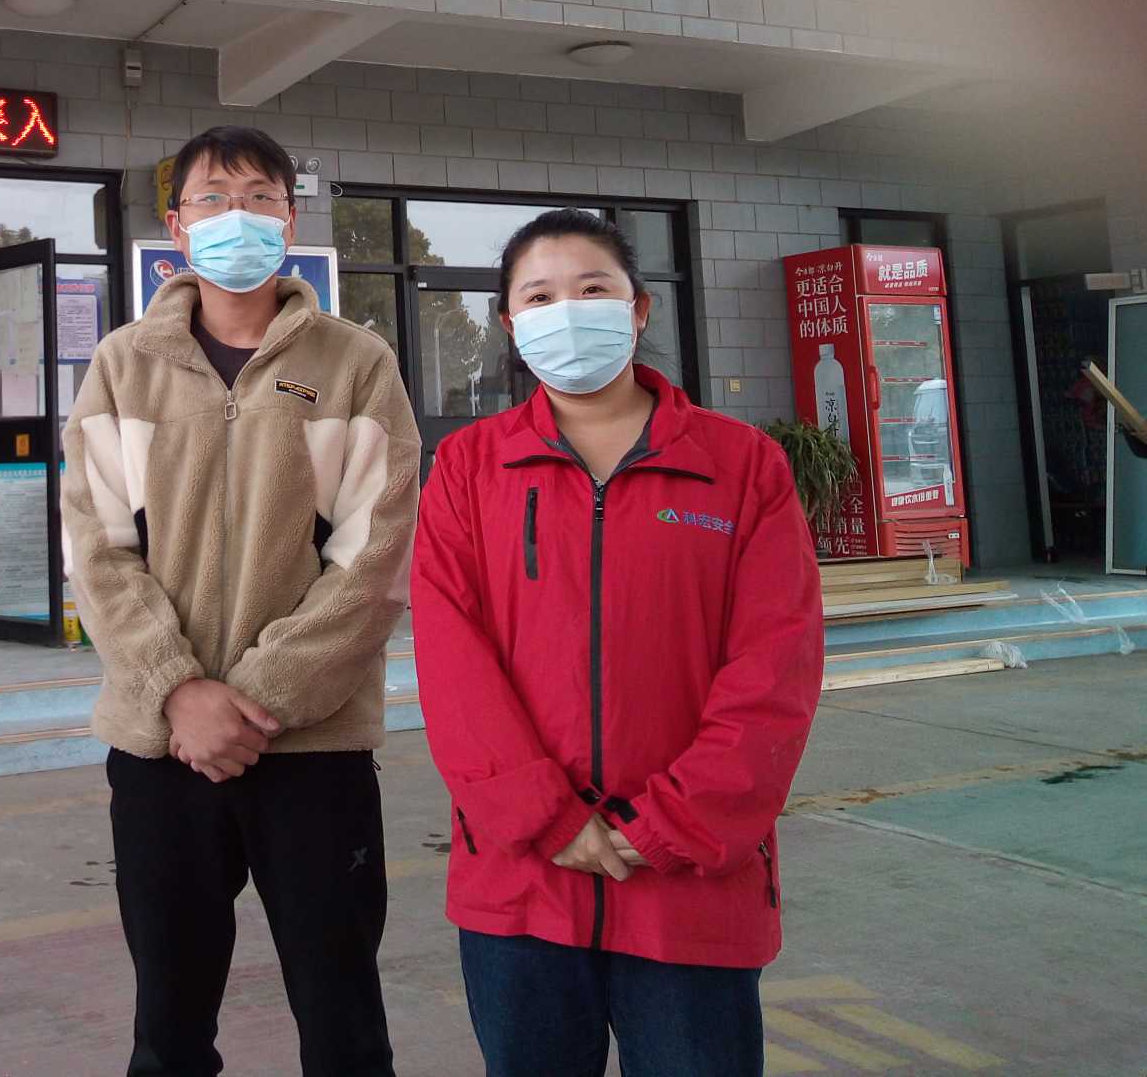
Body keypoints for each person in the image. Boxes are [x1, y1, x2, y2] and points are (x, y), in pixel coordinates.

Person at [411, 208, 824, 1077]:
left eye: (593, 288)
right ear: (510, 324)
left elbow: (775, 664)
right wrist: (545, 817)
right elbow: (452, 659)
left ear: (638, 310)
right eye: (540, 296)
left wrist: (673, 823)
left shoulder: (742, 466)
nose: (567, 311)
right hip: (523, 880)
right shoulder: (468, 469)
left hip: (688, 883)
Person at [61, 126, 422, 1077]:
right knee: (168, 1028)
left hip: (312, 749)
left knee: (344, 1027)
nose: (239, 217)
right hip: (161, 749)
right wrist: (178, 691)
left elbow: (376, 557)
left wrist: (254, 700)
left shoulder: (355, 363)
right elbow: (97, 546)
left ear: (290, 223)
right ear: (177, 225)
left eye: (261, 198)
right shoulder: (124, 364)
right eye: (214, 199)